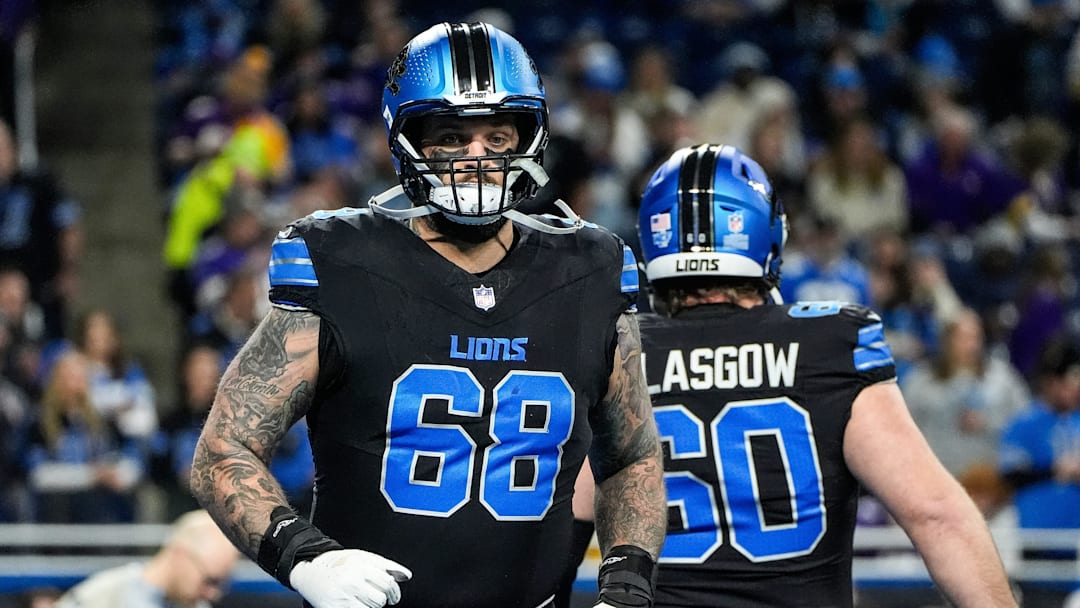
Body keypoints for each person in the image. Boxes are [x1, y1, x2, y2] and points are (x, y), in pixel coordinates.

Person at [190, 21, 666, 608]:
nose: (476, 158)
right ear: (407, 138)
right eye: (450, 136)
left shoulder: (589, 267)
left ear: (529, 137)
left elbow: (631, 457)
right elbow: (224, 448)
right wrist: (305, 557)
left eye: (497, 136)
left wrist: (627, 581)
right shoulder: (342, 262)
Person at [600, 143, 1014, 606]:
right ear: (765, 233)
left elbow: (567, 519)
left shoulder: (618, 348)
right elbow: (936, 516)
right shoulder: (831, 341)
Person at [55, 509, 239, 608]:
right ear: (180, 555)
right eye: (210, 581)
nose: (213, 594)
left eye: (221, 584)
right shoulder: (101, 597)